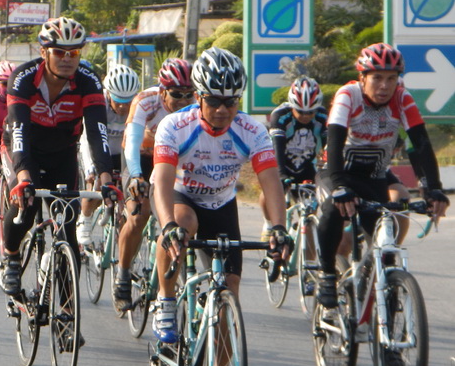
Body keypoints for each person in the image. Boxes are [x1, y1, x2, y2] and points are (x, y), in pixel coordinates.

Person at [151, 47, 289, 349]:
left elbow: (271, 182)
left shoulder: (252, 130)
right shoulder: (174, 126)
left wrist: (279, 227)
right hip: (180, 194)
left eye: (231, 101)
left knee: (230, 295)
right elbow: (162, 180)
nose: (223, 109)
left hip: (221, 203)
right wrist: (168, 225)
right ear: (198, 96)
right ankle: (166, 300)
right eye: (214, 100)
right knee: (183, 223)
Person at [316, 43, 449, 309]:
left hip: (373, 177)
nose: (384, 86)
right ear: (362, 77)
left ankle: (381, 282)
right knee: (332, 209)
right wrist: (339, 186)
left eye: (391, 78)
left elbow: (420, 144)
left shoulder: (402, 98)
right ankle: (327, 274)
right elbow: (335, 141)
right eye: (377, 77)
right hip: (337, 172)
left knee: (384, 236)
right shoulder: (348, 95)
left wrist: (433, 188)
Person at [0, 17, 120, 306]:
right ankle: (11, 258)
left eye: (73, 52)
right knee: (26, 205)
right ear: (44, 52)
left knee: (66, 229)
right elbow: (18, 130)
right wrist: (24, 178)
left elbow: (97, 132)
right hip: (24, 148)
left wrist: (106, 178)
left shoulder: (88, 81)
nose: (67, 59)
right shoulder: (23, 78)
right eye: (59, 52)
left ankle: (66, 312)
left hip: (62, 152)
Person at [113, 58, 195, 313]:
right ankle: (123, 276)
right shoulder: (145, 101)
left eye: (189, 94)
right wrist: (137, 176)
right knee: (139, 215)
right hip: (141, 156)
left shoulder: (196, 104)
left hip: (172, 160)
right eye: (176, 94)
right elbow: (133, 142)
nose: (184, 100)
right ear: (162, 91)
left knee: (179, 215)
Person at [76, 64, 140, 248]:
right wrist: (91, 168)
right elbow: (88, 139)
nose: (123, 106)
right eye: (118, 100)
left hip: (123, 153)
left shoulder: (139, 106)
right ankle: (84, 221)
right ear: (108, 94)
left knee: (131, 191)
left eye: (128, 101)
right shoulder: (99, 103)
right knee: (96, 184)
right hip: (98, 150)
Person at [259, 76, 328, 240]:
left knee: (310, 215)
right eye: (300, 111)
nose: (306, 116)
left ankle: (305, 247)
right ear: (292, 105)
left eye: (310, 112)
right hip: (281, 163)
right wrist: (281, 175)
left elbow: (330, 146)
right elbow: (277, 148)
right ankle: (268, 223)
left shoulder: (322, 117)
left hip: (307, 166)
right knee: (270, 190)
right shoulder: (280, 115)